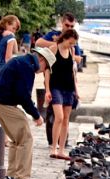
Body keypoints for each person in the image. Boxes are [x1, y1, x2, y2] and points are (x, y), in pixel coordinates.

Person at [0, 47, 55, 179]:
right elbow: (23, 95)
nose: (43, 71)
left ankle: (11, 176)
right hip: (3, 103)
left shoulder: (21, 61)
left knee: (17, 139)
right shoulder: (27, 67)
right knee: (26, 139)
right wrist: (36, 115)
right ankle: (21, 178)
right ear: (41, 59)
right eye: (46, 68)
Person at [47, 30, 79, 160]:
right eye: (70, 42)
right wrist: (47, 89)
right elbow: (47, 71)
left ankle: (61, 149)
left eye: (73, 44)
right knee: (58, 117)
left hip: (69, 88)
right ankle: (53, 148)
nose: (71, 45)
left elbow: (73, 72)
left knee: (66, 119)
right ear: (65, 38)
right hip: (56, 87)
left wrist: (77, 90)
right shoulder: (54, 49)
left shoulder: (71, 51)